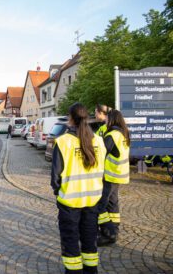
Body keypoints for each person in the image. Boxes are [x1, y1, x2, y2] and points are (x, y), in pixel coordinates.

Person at [51, 102, 106, 273]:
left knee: (70, 242)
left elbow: (55, 178)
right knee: (90, 241)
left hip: (69, 202)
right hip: (93, 201)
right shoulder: (99, 141)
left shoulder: (63, 142)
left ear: (70, 119)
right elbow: (102, 171)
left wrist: (58, 192)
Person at [97, 109, 130, 246]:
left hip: (110, 175)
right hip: (119, 174)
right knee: (113, 203)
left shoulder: (112, 135)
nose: (105, 120)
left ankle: (109, 232)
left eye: (107, 118)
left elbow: (100, 154)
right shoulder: (124, 134)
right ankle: (114, 230)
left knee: (100, 205)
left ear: (112, 119)